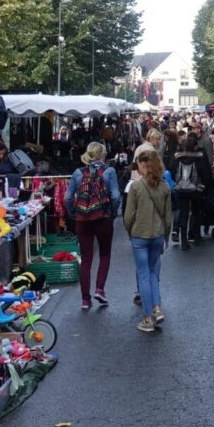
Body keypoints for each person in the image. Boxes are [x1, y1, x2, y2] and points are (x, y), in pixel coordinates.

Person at [68, 142, 122, 310]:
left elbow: (67, 198)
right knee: (105, 254)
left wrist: (73, 214)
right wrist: (112, 213)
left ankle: (85, 299)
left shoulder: (78, 173)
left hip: (82, 219)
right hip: (103, 217)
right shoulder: (109, 171)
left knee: (86, 258)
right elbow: (115, 196)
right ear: (101, 155)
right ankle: (99, 289)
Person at [124, 150, 171, 333]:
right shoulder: (165, 187)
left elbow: (128, 216)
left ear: (144, 166)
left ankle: (147, 318)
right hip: (158, 235)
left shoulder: (136, 187)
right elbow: (168, 218)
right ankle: (157, 308)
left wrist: (130, 233)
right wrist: (166, 237)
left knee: (143, 274)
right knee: (153, 273)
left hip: (140, 235)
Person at [169, 136, 213, 249]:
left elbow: (172, 169)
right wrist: (205, 186)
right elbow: (206, 172)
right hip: (196, 189)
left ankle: (183, 241)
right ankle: (195, 235)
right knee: (196, 212)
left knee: (184, 213)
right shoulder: (199, 156)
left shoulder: (178, 156)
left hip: (181, 189)